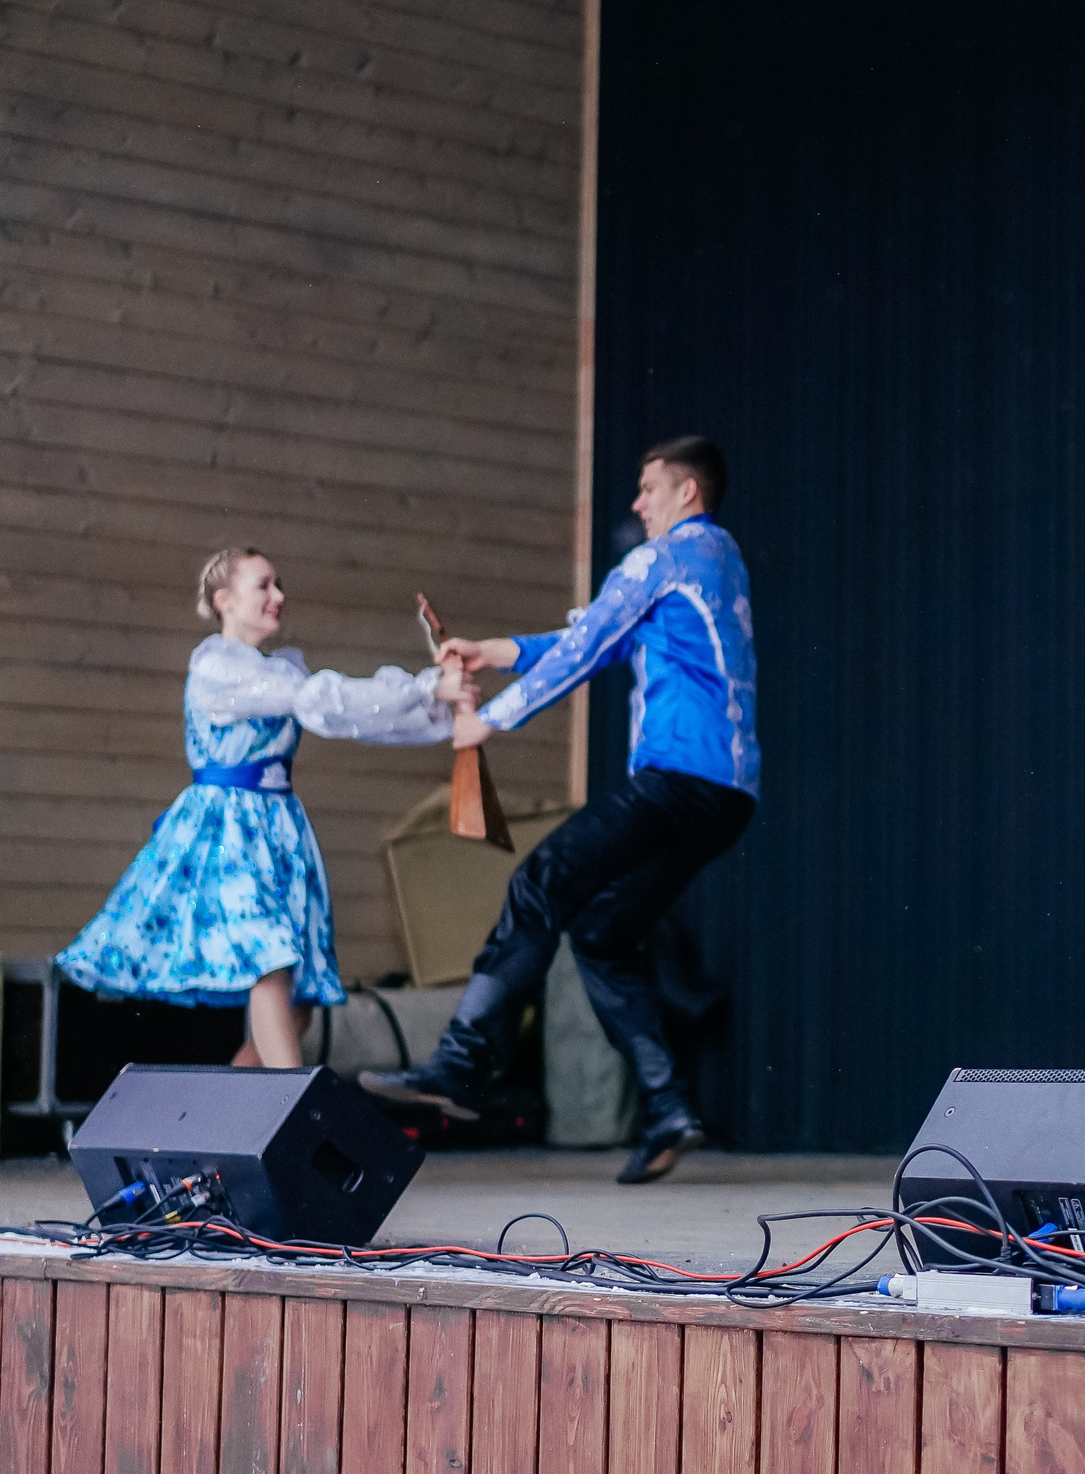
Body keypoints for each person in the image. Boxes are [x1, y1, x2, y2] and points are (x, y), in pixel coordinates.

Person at [360, 436, 760, 1185]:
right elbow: (596, 638)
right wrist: (494, 649)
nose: (637, 503)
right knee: (603, 933)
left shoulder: (663, 558)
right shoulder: (717, 563)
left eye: (649, 488)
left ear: (687, 494)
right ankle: (668, 1103)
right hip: (727, 796)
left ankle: (462, 1060)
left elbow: (587, 647)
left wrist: (492, 719)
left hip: (678, 777)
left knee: (539, 882)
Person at [56, 548, 468, 1069]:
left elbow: (345, 718)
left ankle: (225, 1118)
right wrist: (424, 686)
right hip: (226, 829)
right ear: (224, 600)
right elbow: (322, 699)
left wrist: (434, 701)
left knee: (295, 1011)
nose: (279, 596)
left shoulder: (281, 672)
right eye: (264, 585)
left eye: (280, 585)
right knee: (269, 964)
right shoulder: (217, 668)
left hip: (277, 829)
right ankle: (290, 1117)